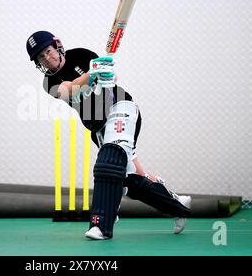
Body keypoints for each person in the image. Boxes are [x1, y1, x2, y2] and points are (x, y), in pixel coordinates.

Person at [26, 31, 191, 240]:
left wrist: (105, 73)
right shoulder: (48, 83)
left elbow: (112, 80)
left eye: (48, 52)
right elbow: (68, 90)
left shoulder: (82, 55)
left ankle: (102, 222)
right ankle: (177, 205)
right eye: (41, 57)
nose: (47, 59)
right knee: (131, 179)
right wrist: (92, 74)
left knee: (108, 166)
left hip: (120, 108)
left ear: (57, 46)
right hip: (99, 129)